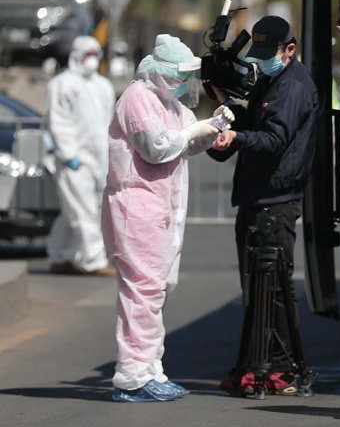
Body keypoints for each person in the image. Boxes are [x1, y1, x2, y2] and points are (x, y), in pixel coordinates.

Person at [102, 34, 233, 402]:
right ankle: (132, 377)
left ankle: (150, 368)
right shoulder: (137, 99)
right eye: (178, 76)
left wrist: (214, 129)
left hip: (162, 210)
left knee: (156, 290)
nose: (182, 85)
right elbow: (157, 147)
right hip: (137, 208)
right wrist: (196, 129)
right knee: (141, 292)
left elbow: (187, 142)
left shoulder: (169, 104)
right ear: (159, 70)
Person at [207, 15, 321, 396]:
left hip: (277, 199)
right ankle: (267, 366)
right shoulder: (274, 79)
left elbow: (273, 139)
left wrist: (236, 136)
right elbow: (257, 121)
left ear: (290, 49)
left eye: (268, 52)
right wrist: (228, 108)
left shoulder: (294, 87)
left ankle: (281, 368)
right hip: (261, 194)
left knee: (273, 289)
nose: (261, 61)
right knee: (258, 286)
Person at [46, 36, 116, 276]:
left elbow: (107, 123)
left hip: (99, 160)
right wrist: (68, 153)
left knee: (75, 211)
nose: (93, 60)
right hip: (73, 160)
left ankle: (60, 256)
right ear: (75, 55)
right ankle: (94, 261)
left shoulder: (103, 86)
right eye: (88, 54)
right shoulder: (62, 84)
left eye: (96, 54)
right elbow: (58, 122)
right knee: (83, 211)